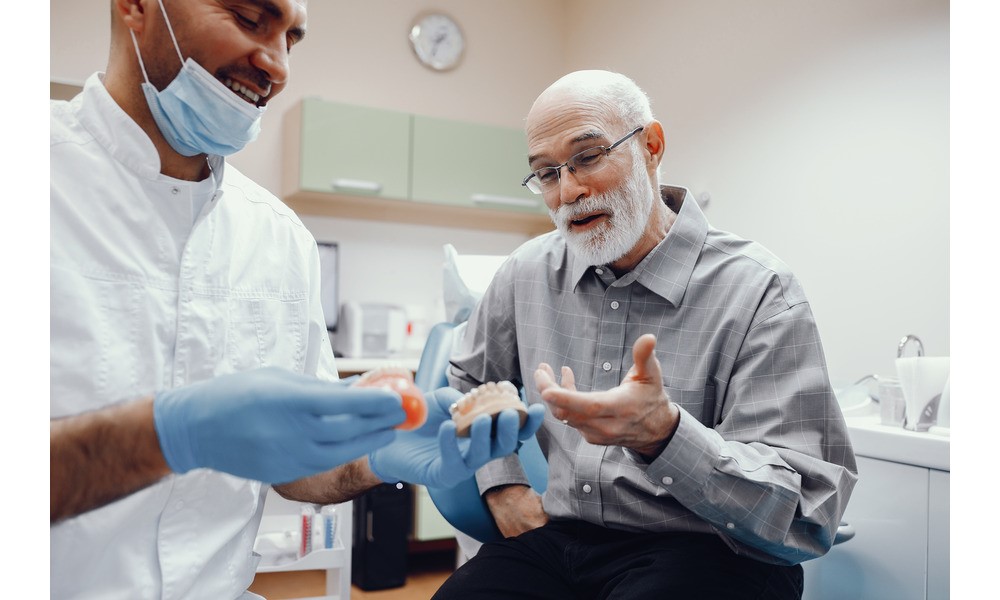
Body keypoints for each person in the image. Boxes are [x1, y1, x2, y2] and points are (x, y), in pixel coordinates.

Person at [49, 1, 543, 598]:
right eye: (249, 17)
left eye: (293, 38)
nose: (277, 66)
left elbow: (298, 472)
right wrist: (165, 436)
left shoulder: (278, 237)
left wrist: (372, 456)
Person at [435, 70, 858, 599]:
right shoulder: (527, 272)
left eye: (588, 157)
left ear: (651, 146)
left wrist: (666, 435)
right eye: (546, 173)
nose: (569, 191)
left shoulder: (759, 290)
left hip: (710, 548)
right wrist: (503, 484)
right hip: (562, 540)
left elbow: (808, 511)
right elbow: (468, 378)